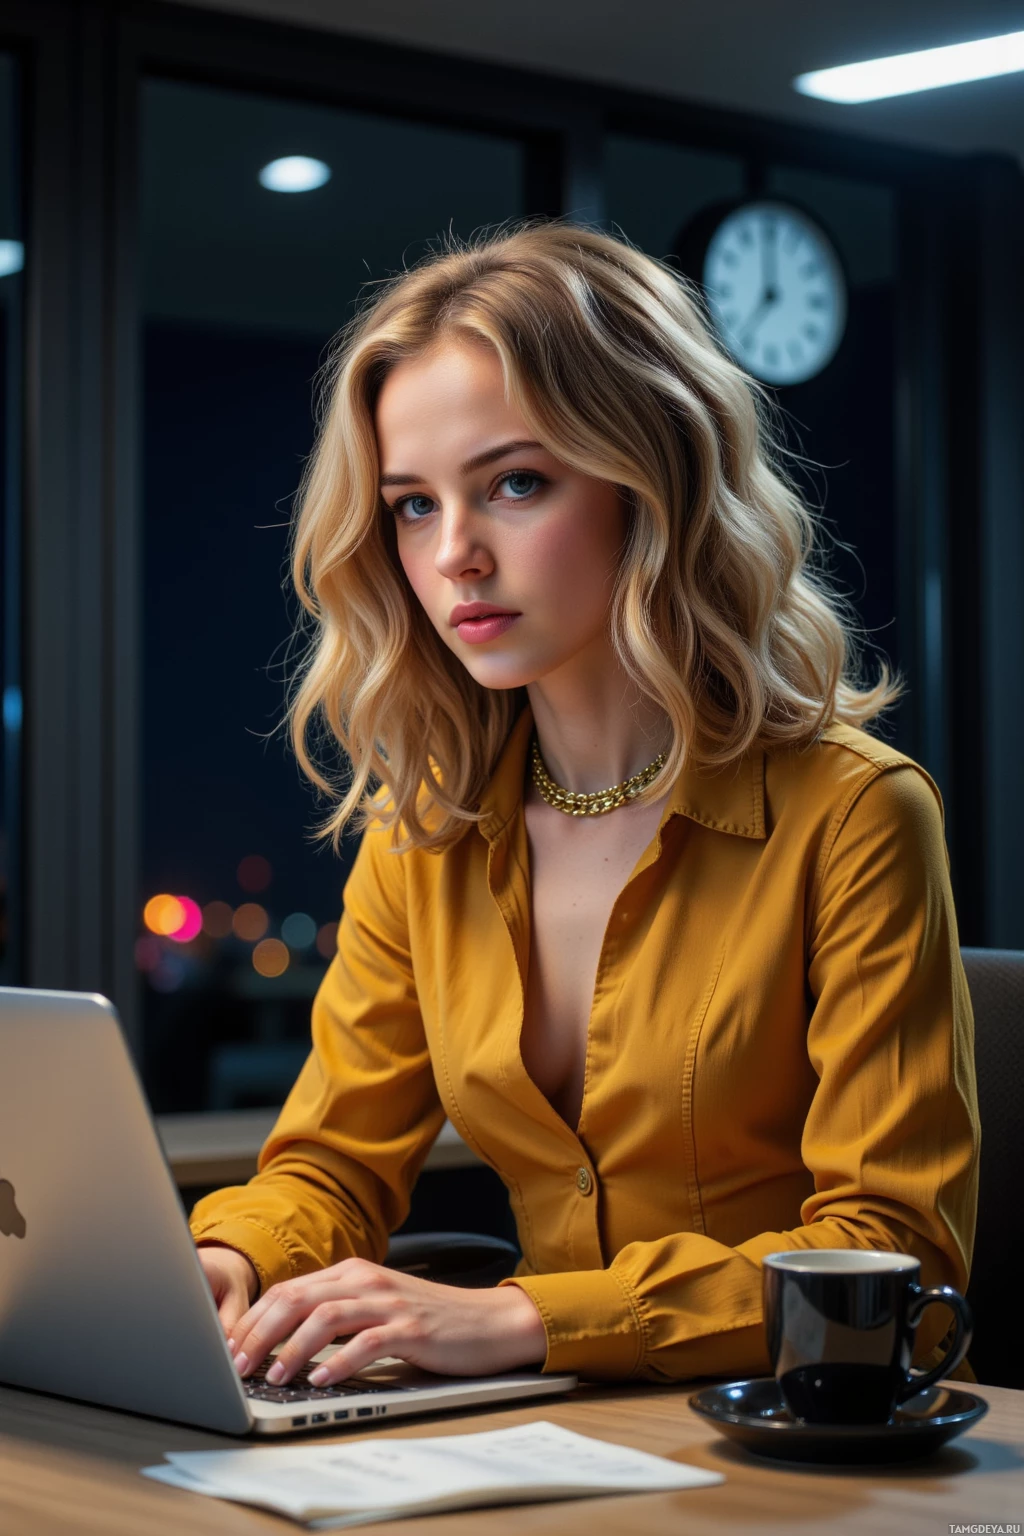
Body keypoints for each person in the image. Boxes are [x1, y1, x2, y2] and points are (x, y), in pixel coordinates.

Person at [190, 220, 979, 1393]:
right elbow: (334, 1166)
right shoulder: (426, 834)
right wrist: (230, 1259)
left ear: (648, 481)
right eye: (412, 505)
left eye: (515, 484)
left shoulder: (853, 813)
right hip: (546, 1440)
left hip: (787, 1450)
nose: (454, 553)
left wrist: (517, 1317)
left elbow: (886, 1258)